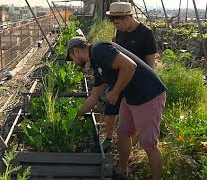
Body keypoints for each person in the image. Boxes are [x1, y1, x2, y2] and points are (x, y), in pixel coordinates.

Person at [66, 36, 167, 180]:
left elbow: (129, 66)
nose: (74, 63)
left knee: (149, 143)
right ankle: (121, 170)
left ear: (75, 51)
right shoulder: (96, 63)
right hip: (131, 95)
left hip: (148, 95)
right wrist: (75, 116)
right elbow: (94, 98)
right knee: (123, 132)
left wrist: (115, 91)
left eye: (72, 59)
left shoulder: (100, 49)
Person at [101, 1, 159, 151]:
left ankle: (131, 145)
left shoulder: (146, 34)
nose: (117, 27)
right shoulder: (121, 31)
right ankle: (108, 138)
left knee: (132, 120)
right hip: (120, 78)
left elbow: (150, 65)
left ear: (128, 18)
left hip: (137, 84)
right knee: (110, 107)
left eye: (118, 23)